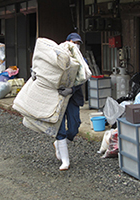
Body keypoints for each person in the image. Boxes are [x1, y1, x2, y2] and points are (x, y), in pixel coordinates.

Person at [53, 33, 85, 171]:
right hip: (58, 96)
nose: (76, 45)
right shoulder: (57, 56)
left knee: (74, 126)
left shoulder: (81, 60)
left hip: (73, 97)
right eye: (74, 42)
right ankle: (65, 160)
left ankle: (60, 144)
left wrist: (71, 89)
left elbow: (83, 77)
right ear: (67, 42)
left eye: (78, 43)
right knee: (60, 126)